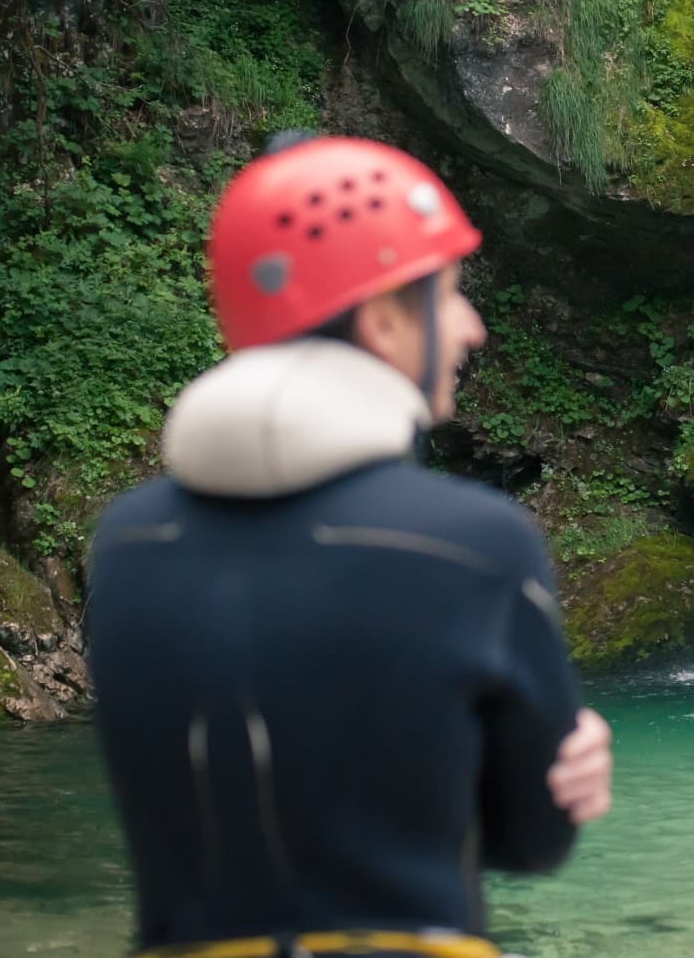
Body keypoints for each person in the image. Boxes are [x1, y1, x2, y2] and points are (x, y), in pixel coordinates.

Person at [85, 132, 614, 958]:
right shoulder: (476, 545)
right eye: (450, 294)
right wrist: (569, 776)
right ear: (383, 319)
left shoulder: (128, 542)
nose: (471, 327)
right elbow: (530, 841)